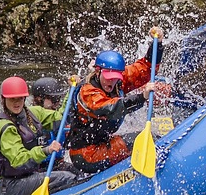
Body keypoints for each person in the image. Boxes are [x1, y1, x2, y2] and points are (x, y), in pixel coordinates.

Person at [67, 39, 167, 174]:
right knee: (137, 141)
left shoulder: (117, 81)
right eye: (108, 77)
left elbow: (142, 69)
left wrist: (157, 45)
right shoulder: (88, 92)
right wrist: (141, 97)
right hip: (87, 154)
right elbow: (112, 109)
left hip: (103, 142)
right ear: (98, 72)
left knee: (153, 137)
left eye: (115, 77)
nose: (112, 81)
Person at [0, 76, 77, 195]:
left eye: (20, 98)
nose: (16, 103)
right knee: (66, 178)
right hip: (11, 186)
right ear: (4, 99)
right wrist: (46, 150)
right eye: (12, 99)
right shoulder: (4, 127)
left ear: (25, 98)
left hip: (27, 176)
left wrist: (73, 90)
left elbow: (60, 118)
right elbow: (19, 160)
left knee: (70, 173)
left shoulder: (32, 113)